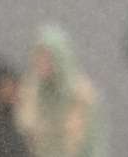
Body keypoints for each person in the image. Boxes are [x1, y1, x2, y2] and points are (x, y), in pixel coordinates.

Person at [16, 24, 105, 157]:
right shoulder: (31, 92)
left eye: (47, 57)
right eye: (38, 56)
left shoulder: (81, 95)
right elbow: (26, 133)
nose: (40, 62)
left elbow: (93, 143)